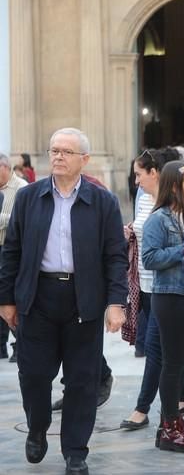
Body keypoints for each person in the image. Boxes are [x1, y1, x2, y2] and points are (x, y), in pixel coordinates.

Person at [0, 128, 127, 475]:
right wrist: (6, 299)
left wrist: (117, 302)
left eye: (66, 151)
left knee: (82, 380)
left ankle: (75, 451)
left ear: (84, 160)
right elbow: (11, 251)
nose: (57, 156)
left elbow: (116, 255)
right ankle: (37, 427)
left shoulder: (103, 202)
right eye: (54, 150)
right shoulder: (29, 197)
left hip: (82, 300)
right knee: (34, 375)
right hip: (37, 298)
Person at [120, 149, 184, 432]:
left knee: (162, 352)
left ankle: (152, 408)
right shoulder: (145, 204)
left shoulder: (182, 209)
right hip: (147, 285)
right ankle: (175, 403)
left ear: (155, 173)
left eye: (139, 174)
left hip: (169, 287)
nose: (136, 180)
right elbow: (149, 244)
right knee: (163, 352)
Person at [142, 160, 184, 452]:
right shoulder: (159, 219)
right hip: (169, 296)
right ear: (176, 187)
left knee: (182, 364)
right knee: (172, 364)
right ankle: (169, 428)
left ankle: (172, 423)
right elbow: (150, 258)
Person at [0, 152, 29, 361]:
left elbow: (23, 220)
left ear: (4, 167)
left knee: (9, 297)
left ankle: (22, 344)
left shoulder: (22, 188)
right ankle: (2, 347)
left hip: (9, 250)